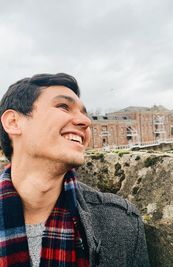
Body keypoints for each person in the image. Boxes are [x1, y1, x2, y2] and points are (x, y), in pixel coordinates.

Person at [0, 73, 149, 267]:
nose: (86, 122)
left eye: (84, 113)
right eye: (63, 106)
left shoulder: (122, 223)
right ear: (13, 122)